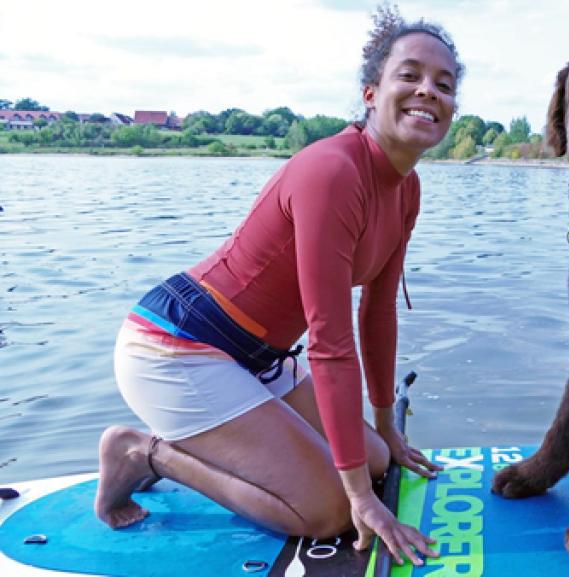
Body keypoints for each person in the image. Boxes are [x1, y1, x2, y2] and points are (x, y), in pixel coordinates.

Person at [93, 8, 463, 567]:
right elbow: (330, 342)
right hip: (177, 349)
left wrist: (388, 428)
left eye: (444, 84)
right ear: (370, 92)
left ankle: (215, 436)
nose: (427, 91)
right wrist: (361, 498)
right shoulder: (333, 171)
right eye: (409, 75)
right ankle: (144, 452)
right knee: (329, 511)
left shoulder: (405, 188)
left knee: (379, 458)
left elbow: (379, 312)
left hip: (256, 356)